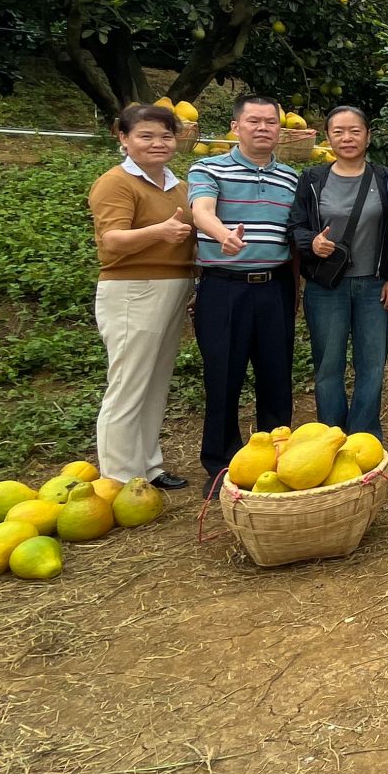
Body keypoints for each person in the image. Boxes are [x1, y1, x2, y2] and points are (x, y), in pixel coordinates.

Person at [189, 94, 299, 487]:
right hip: (224, 289)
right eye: (254, 121)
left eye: (271, 122)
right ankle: (222, 465)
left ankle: (278, 463)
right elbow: (201, 210)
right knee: (223, 377)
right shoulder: (208, 168)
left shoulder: (292, 177)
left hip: (274, 288)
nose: (263, 128)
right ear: (236, 127)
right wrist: (223, 235)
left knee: (276, 377)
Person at [88, 102, 195, 490]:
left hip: (174, 287)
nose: (158, 143)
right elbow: (112, 240)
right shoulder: (116, 182)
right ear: (124, 138)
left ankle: (148, 467)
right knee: (128, 384)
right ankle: (118, 480)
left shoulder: (178, 186)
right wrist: (159, 232)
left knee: (154, 383)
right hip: (133, 289)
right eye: (145, 136)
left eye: (166, 136)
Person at [289, 106, 388, 439]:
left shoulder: (385, 178)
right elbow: (295, 225)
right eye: (338, 131)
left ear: (368, 136)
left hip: (374, 286)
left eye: (355, 130)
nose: (347, 138)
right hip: (326, 287)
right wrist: (312, 242)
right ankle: (331, 436)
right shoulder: (312, 179)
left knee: (372, 365)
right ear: (328, 137)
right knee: (328, 365)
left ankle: (364, 436)